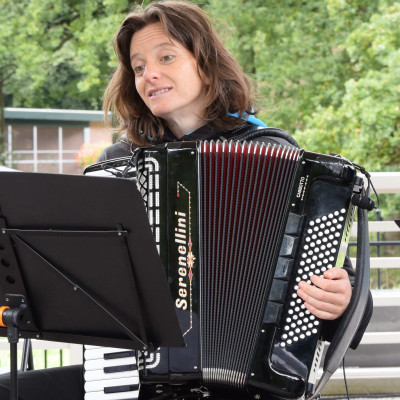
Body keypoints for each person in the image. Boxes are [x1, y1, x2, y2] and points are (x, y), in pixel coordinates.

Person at [0, 1, 372, 399]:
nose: (149, 75)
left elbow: (342, 285)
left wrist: (341, 297)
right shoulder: (119, 164)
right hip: (132, 375)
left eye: (166, 57)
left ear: (206, 66)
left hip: (243, 384)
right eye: (139, 67)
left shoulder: (269, 151)